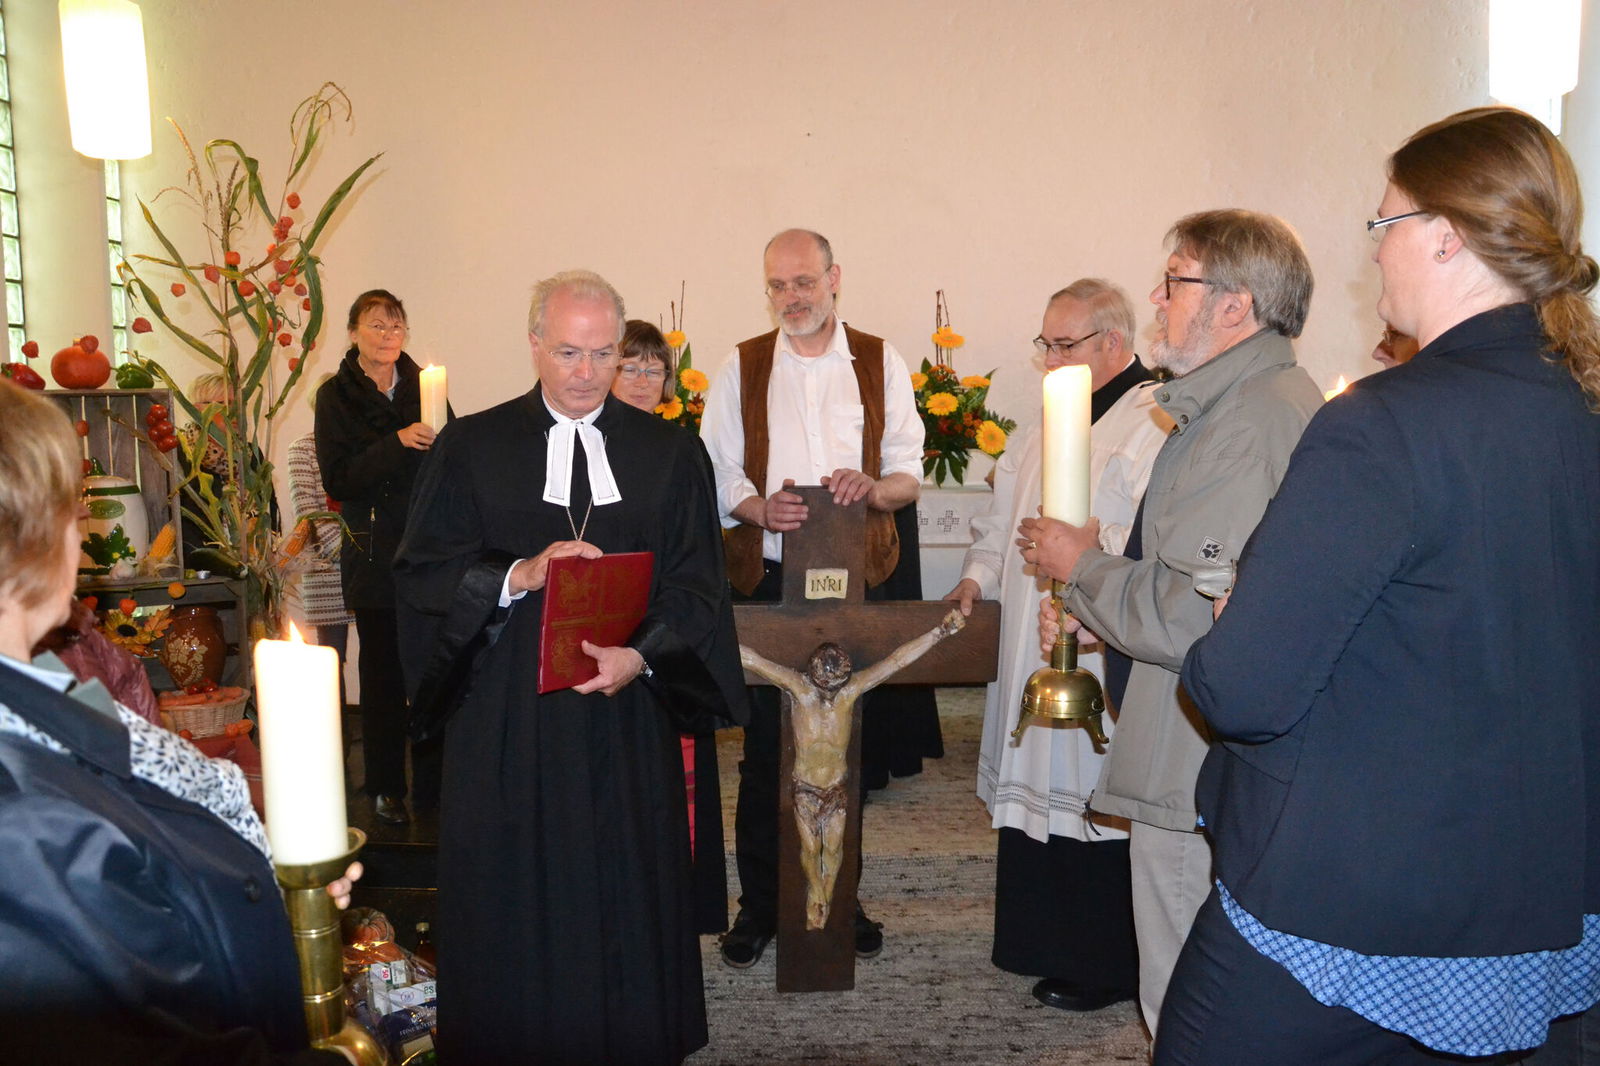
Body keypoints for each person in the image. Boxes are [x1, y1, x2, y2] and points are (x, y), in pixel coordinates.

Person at [1160, 108, 1600, 1065]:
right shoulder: (1582, 406)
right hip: (1541, 891)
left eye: (1383, 226)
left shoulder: (1383, 426)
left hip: (1358, 901)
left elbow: (1243, 688)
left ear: (1445, 237)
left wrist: (1247, 614)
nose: (1375, 256)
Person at [392, 269, 746, 1065]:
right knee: (514, 881)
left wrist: (641, 656)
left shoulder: (669, 453)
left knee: (623, 879)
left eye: (601, 354)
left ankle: (632, 1033)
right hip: (508, 715)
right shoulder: (471, 446)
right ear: (533, 345)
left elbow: (699, 587)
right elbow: (420, 575)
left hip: (623, 715)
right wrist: (515, 576)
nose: (585, 373)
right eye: (567, 352)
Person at [1020, 209, 1323, 1035]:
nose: (1157, 297)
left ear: (1236, 304)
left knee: (1188, 1002)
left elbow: (1195, 617)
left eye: (1177, 278)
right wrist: (1101, 613)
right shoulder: (1239, 404)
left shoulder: (1250, 421)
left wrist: (1081, 569)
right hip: (1186, 736)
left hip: (1195, 761)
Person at [0, 379, 362, 1064]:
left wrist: (271, 884)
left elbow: (139, 844)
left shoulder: (43, 677)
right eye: (73, 512)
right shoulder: (14, 813)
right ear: (27, 531)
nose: (84, 538)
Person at [701, 227, 928, 967]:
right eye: (777, 285)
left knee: (843, 753)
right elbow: (719, 468)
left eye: (804, 281)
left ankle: (843, 898)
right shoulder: (743, 364)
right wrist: (756, 508)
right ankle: (759, 907)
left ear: (836, 278)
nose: (791, 297)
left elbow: (906, 470)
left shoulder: (878, 359)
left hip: (855, 575)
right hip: (770, 578)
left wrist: (873, 491)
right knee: (769, 752)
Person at [946, 279, 1170, 1012]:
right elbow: (999, 517)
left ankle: (1104, 963)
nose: (1048, 358)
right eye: (1044, 343)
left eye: (1062, 344)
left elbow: (1151, 538)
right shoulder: (1044, 422)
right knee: (1037, 781)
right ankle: (1034, 940)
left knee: (1089, 790)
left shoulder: (1155, 423)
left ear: (1113, 343)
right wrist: (978, 578)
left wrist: (1086, 545)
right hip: (1027, 638)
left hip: (1097, 639)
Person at [610, 316, 731, 936]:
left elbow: (698, 552)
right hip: (603, 629)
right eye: (628, 365)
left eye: (652, 369)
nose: (639, 379)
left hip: (665, 636)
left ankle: (675, 906)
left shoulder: (683, 450)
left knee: (672, 782)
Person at [739, 608, 966, 931]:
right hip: (805, 788)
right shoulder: (799, 690)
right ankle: (815, 892)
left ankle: (826, 899)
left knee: (833, 848)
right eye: (824, 682)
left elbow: (896, 661)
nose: (829, 691)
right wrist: (713, 627)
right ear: (814, 674)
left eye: (835, 683)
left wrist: (939, 633)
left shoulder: (849, 692)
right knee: (810, 848)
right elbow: (752, 660)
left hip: (836, 788)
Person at [315, 290, 443, 826]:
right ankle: (386, 786)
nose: (388, 335)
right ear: (353, 333)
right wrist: (397, 442)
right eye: (376, 325)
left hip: (428, 549)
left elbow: (450, 457)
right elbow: (339, 478)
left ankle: (436, 785)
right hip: (372, 550)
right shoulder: (336, 396)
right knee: (385, 674)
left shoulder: (425, 385)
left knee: (434, 672)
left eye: (396, 325)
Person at [613, 318, 676, 412]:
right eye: (630, 370)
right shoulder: (586, 426)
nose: (643, 383)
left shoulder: (671, 427)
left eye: (654, 372)